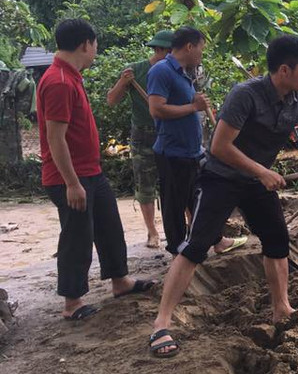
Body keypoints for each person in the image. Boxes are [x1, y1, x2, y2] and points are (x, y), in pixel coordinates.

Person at [148, 35, 298, 357]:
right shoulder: (245, 95)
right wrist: (261, 171)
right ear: (284, 69)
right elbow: (221, 147)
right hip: (221, 177)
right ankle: (161, 324)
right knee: (195, 246)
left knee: (277, 241)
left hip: (256, 182)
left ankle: (282, 309)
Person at [37, 19, 155, 321]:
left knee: (109, 226)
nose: (95, 52)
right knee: (77, 236)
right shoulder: (59, 82)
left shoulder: (70, 77)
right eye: (96, 46)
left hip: (90, 172)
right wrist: (72, 183)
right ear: (85, 45)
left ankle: (120, 281)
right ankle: (72, 302)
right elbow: (55, 138)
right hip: (71, 177)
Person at [146, 26, 245, 257]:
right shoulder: (162, 71)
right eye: (201, 47)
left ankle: (217, 240)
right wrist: (193, 106)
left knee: (201, 199)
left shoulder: (183, 72)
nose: (201, 53)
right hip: (172, 152)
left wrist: (195, 103)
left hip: (191, 151)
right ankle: (177, 250)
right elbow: (156, 109)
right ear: (189, 46)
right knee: (174, 205)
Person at [105, 29, 174, 248]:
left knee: (176, 181)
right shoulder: (135, 71)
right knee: (145, 185)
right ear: (161, 50)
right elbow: (111, 100)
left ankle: (186, 224)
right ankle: (152, 232)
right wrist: (122, 82)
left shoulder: (175, 70)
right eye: (171, 51)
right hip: (144, 134)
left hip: (169, 131)